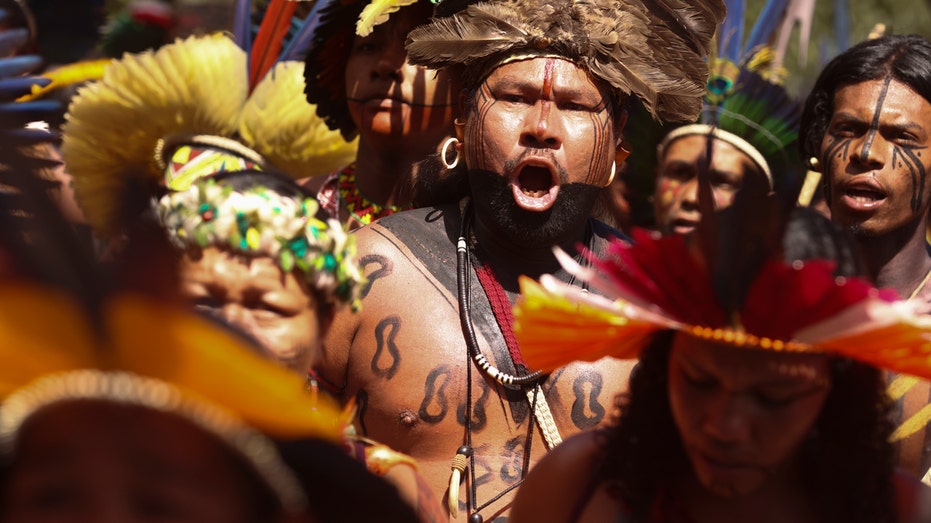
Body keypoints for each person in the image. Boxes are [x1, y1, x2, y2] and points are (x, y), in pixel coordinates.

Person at [314, 0, 725, 519]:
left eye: (575, 106)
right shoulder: (369, 270)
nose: (542, 127)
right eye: (514, 97)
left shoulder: (667, 307)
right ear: (462, 116)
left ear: (619, 136)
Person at [509, 201, 931, 522]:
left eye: (772, 398)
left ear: (838, 391)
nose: (725, 427)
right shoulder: (574, 487)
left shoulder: (904, 512)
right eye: (699, 381)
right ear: (661, 366)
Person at [799, 33, 931, 478]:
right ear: (820, 145)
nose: (865, 153)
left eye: (901, 138)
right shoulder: (759, 297)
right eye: (847, 130)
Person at [302, 0, 462, 229]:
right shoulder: (283, 212)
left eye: (417, 49)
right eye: (368, 46)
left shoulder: (485, 237)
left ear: (468, 85)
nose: (385, 65)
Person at [640, 12, 802, 236]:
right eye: (678, 173)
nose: (692, 198)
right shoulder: (598, 267)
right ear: (655, 181)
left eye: (721, 181)